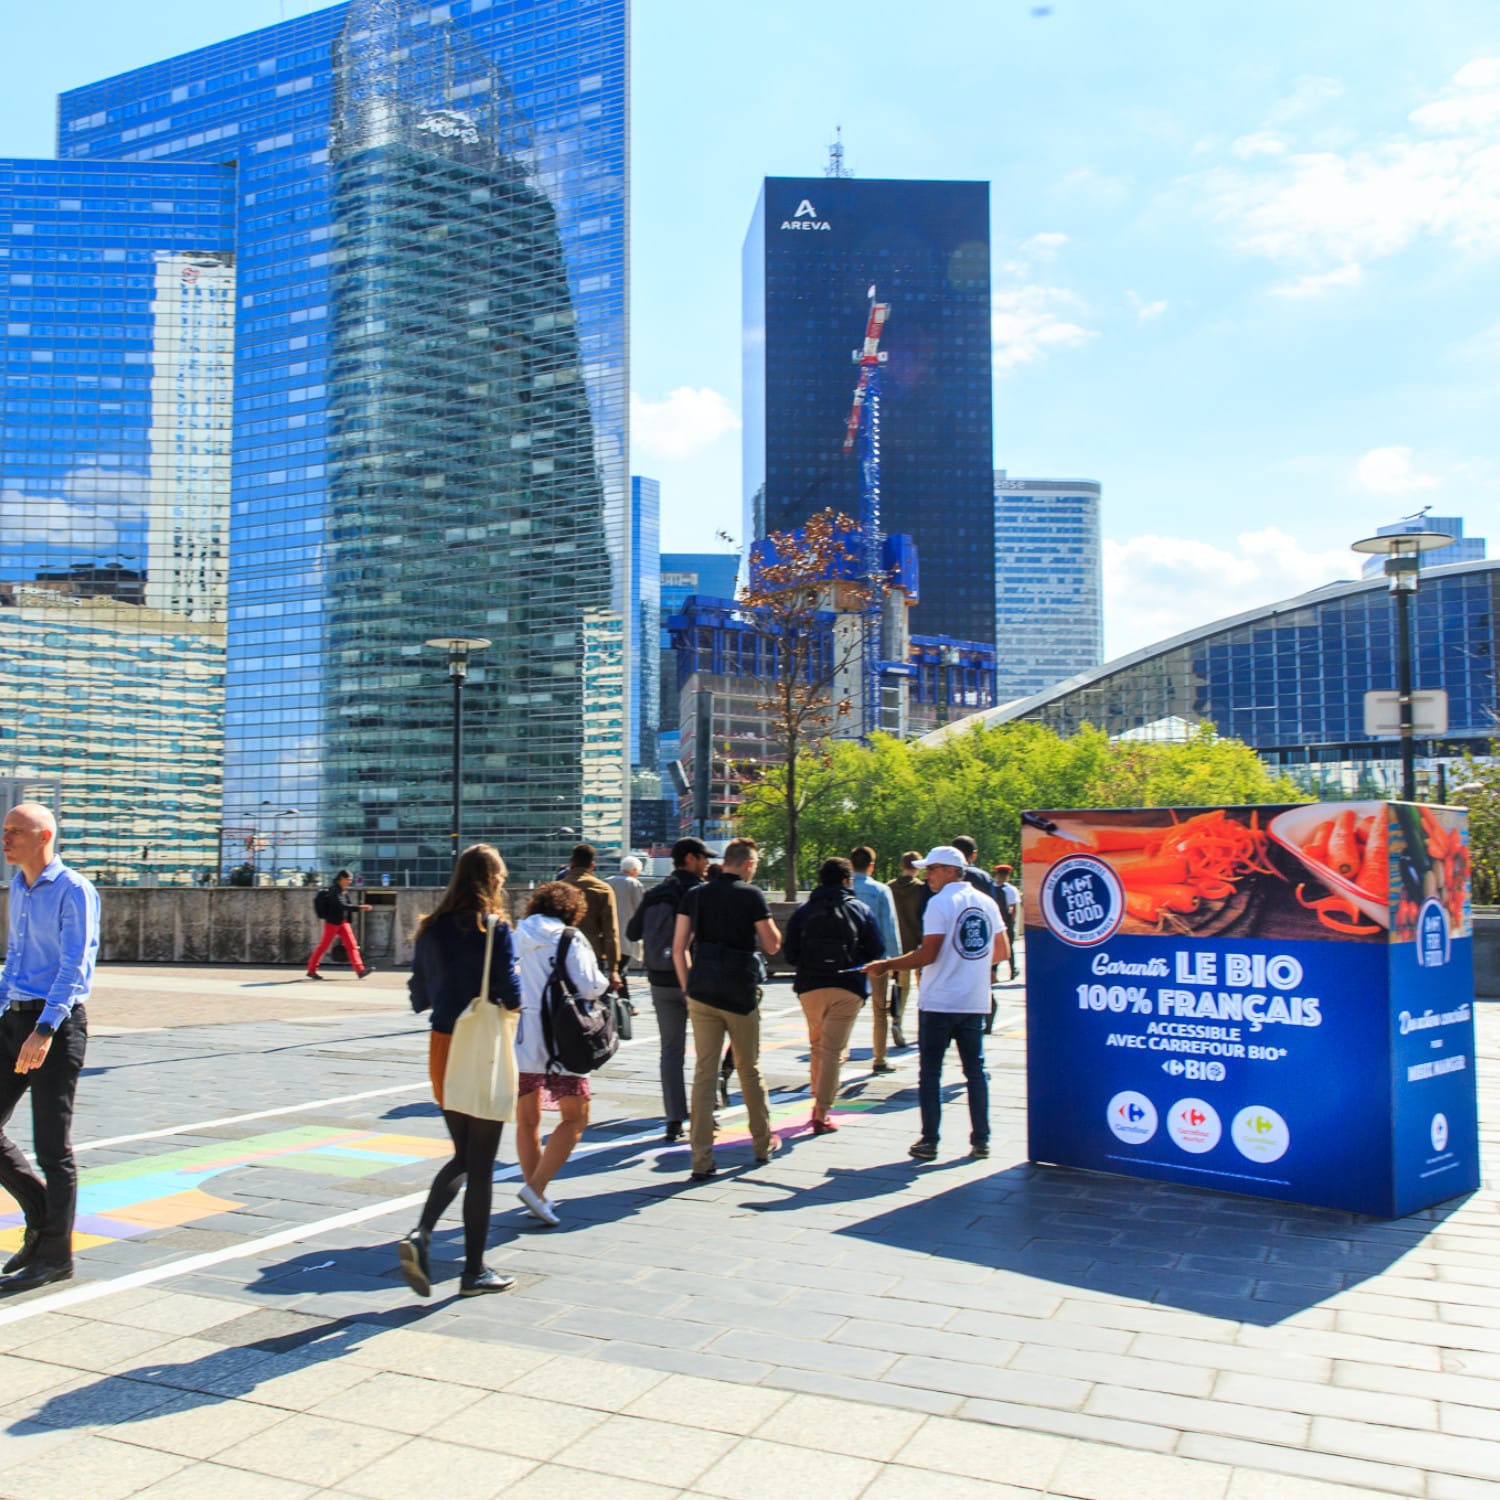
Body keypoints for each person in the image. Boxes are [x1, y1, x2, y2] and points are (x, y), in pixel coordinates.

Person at [402, 844, 522, 1297]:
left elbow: (419, 995)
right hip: (482, 1047)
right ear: (491, 879)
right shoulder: (494, 929)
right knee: (482, 1164)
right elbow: (509, 992)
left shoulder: (429, 929)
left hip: (442, 1045)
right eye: (501, 876)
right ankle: (474, 1271)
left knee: (462, 1154)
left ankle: (422, 1233)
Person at [0, 803, 99, 1292]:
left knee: (52, 1148)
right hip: (14, 1020)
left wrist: (44, 1029)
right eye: (4, 831)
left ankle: (56, 1256)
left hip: (54, 1027)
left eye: (14, 831)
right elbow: (14, 961)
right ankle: (40, 1217)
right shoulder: (17, 888)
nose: (5, 839)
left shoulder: (73, 890)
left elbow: (73, 966)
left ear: (43, 837)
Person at [867, 845, 1008, 1162]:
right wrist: (970, 966)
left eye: (931, 869)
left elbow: (927, 954)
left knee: (931, 1073)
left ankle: (930, 1140)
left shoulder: (939, 903)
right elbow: (1001, 952)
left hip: (940, 1000)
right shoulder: (986, 901)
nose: (926, 875)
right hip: (974, 1000)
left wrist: (887, 964)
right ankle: (981, 1139)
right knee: (976, 1072)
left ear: (948, 870)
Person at [672, 837, 781, 1181]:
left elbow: (678, 948)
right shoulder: (751, 895)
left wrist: (688, 986)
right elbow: (772, 944)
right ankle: (762, 1144)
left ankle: (701, 1158)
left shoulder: (696, 894)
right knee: (749, 1069)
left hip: (701, 990)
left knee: (705, 1073)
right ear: (748, 864)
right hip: (739, 992)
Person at [512, 881, 612, 1226]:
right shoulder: (570, 937)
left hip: (524, 1037)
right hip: (564, 1036)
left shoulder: (515, 935)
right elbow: (590, 984)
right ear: (571, 910)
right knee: (575, 1118)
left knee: (527, 1120)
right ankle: (536, 1187)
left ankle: (535, 1195)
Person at [783, 858, 884, 1133]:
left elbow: (789, 952)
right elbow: (877, 948)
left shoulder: (804, 911)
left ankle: (817, 1094)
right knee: (832, 1049)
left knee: (817, 1044)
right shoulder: (859, 909)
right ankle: (821, 1111)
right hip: (847, 985)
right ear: (846, 881)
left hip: (810, 986)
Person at [624, 837, 710, 1141]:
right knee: (706, 1051)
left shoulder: (656, 892)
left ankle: (674, 1119)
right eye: (703, 858)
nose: (707, 863)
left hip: (660, 980)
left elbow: (632, 931)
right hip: (695, 979)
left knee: (671, 1051)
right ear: (690, 858)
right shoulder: (699, 893)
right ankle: (705, 1115)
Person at [849, 846, 901, 1073]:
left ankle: (838, 1055)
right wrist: (895, 961)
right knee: (880, 1010)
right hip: (876, 959)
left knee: (845, 1009)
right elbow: (889, 927)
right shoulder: (880, 891)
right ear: (872, 865)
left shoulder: (844, 888)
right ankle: (880, 1057)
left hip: (848, 958)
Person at [561, 844, 621, 991]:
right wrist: (613, 969)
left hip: (561, 954)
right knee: (593, 1004)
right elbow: (610, 933)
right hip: (592, 954)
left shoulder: (558, 889)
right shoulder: (603, 889)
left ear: (571, 864)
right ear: (592, 865)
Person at [886, 851, 927, 1049]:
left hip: (896, 946)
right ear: (918, 867)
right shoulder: (921, 889)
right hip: (918, 945)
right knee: (924, 988)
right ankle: (924, 1026)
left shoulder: (889, 887)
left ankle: (897, 1021)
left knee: (901, 988)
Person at [306, 869, 375, 980]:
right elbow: (343, 906)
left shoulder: (343, 890)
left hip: (342, 923)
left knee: (352, 946)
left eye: (350, 880)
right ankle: (311, 970)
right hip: (332, 923)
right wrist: (361, 907)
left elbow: (347, 905)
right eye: (348, 879)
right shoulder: (334, 891)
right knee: (323, 947)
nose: (350, 882)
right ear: (341, 879)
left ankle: (360, 970)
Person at [606, 856, 646, 1009]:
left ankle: (622, 1001)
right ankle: (624, 1003)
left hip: (608, 935)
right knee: (620, 970)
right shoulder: (634, 884)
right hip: (626, 935)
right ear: (634, 870)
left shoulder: (607, 881)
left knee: (617, 970)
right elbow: (641, 909)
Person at [993, 863, 1021, 984]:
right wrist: (1013, 921)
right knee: (1008, 946)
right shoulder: (1010, 889)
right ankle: (1012, 970)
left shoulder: (990, 887)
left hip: (994, 920)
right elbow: (1014, 907)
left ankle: (993, 971)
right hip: (1006, 921)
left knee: (995, 946)